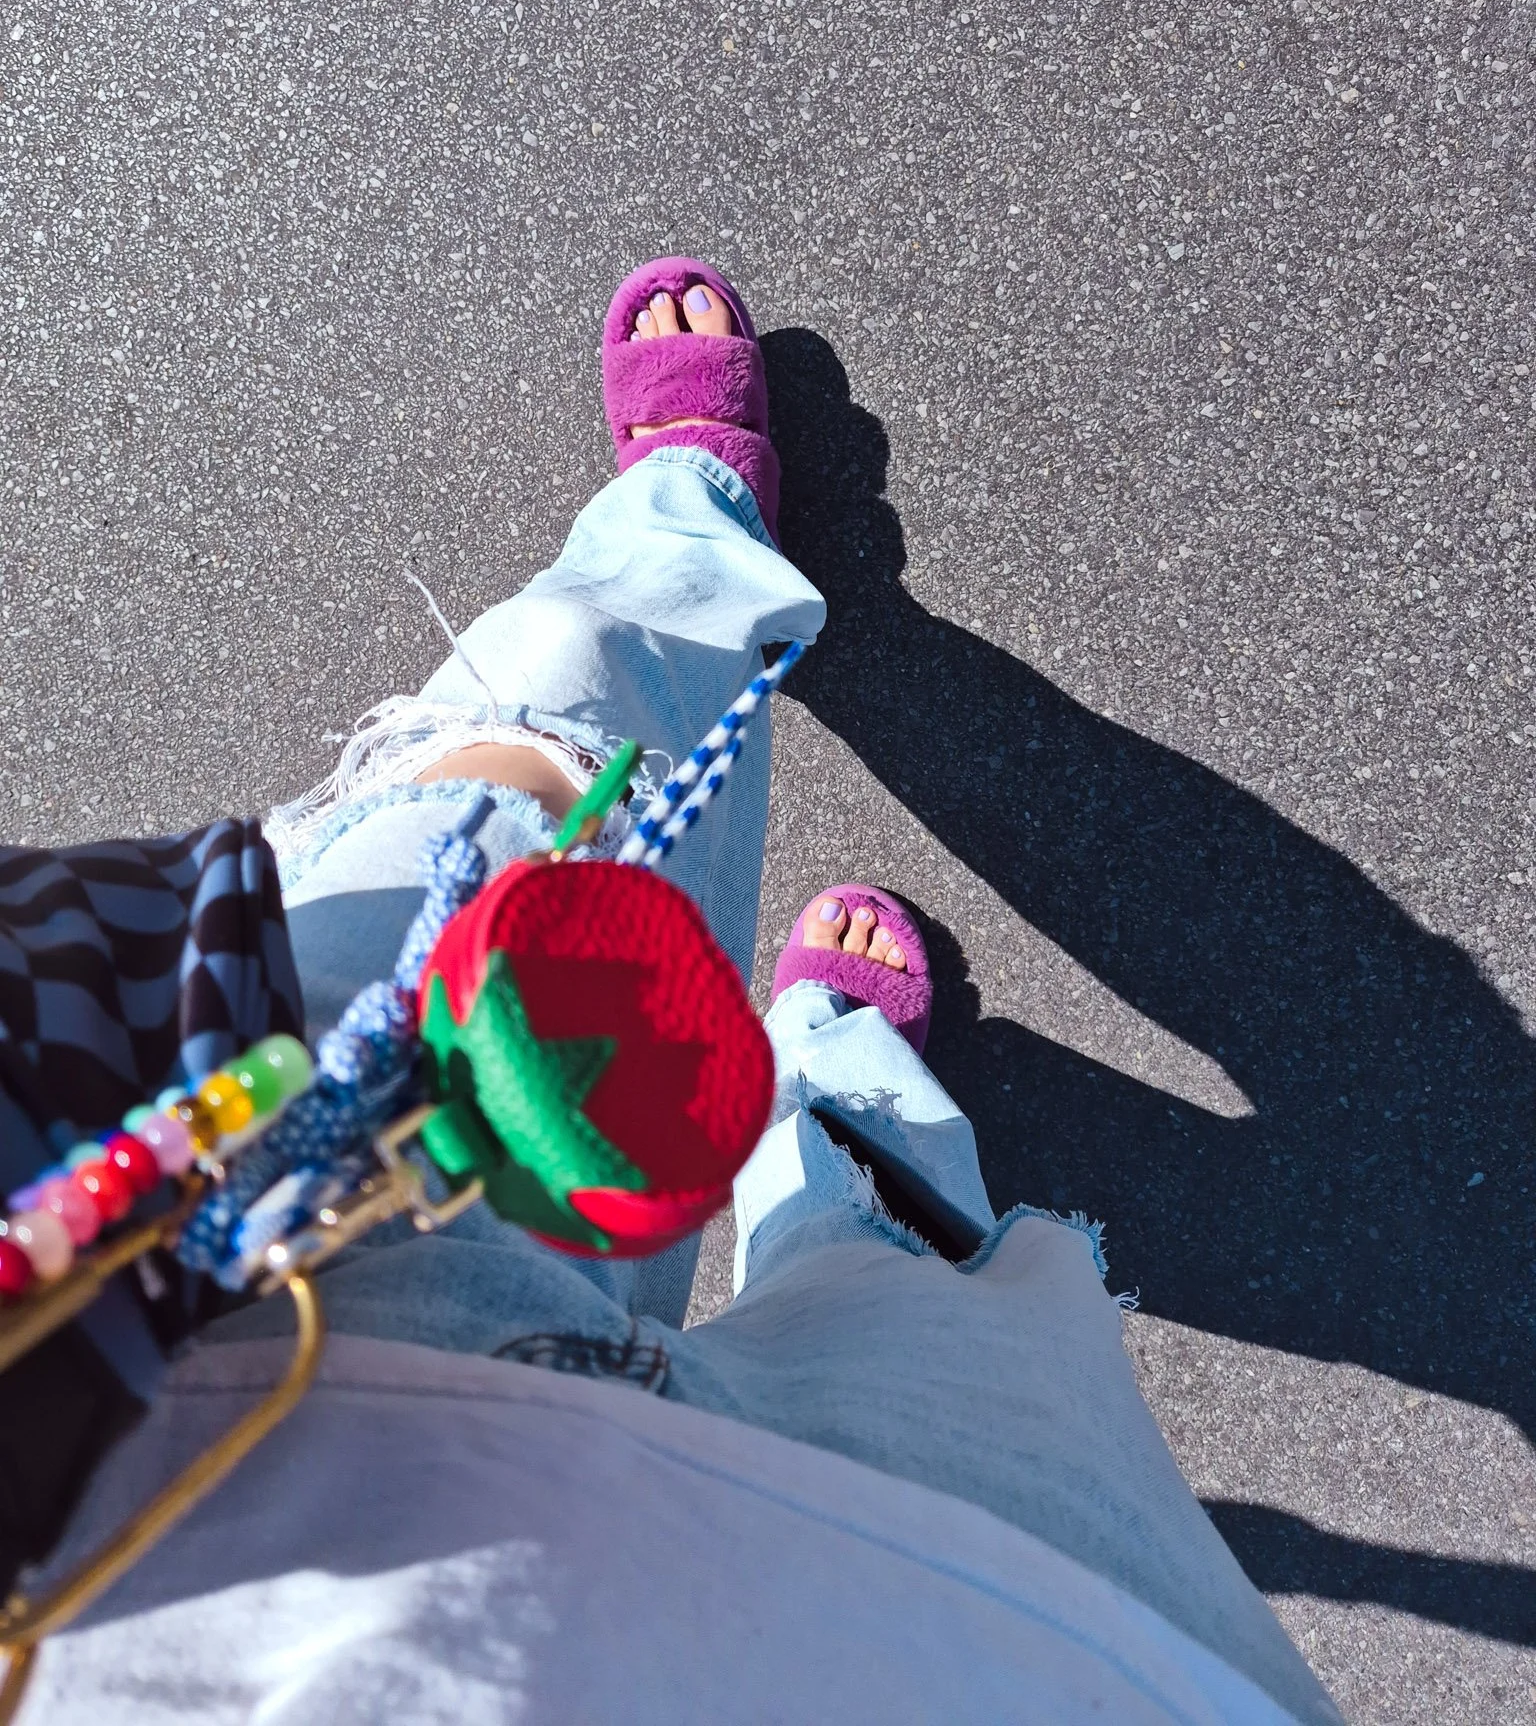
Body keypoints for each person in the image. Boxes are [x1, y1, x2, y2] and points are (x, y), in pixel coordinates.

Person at [23, 258, 1342, 1723]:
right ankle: (844, 1104)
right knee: (958, 1354)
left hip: (159, 1248)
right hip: (870, 1655)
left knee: (533, 771)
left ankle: (684, 543)